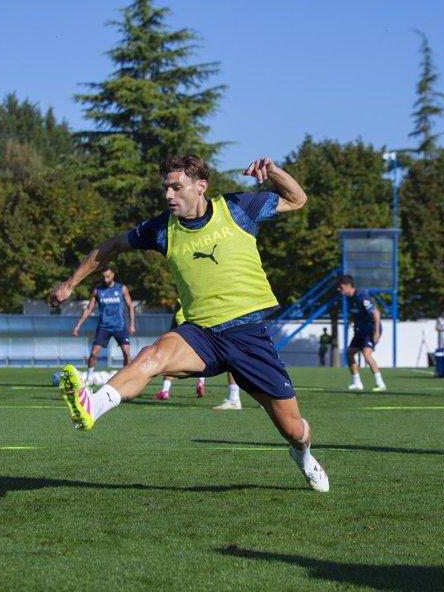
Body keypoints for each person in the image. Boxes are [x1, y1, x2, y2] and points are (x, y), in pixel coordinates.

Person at [51, 153, 328, 492]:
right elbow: (111, 246)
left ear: (201, 186)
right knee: (151, 356)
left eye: (177, 187)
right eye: (165, 188)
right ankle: (92, 405)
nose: (169, 195)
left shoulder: (238, 207)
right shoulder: (160, 229)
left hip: (248, 335)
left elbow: (297, 200)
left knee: (293, 429)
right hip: (201, 335)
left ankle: (302, 454)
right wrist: (70, 283)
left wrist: (273, 172)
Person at [71, 265, 135, 383]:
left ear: (113, 275)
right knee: (94, 353)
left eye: (108, 276)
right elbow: (89, 309)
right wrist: (78, 325)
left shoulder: (122, 289)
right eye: (104, 277)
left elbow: (130, 306)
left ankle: (125, 378)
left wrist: (132, 324)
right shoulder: (98, 291)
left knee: (126, 352)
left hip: (119, 326)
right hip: (104, 327)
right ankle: (90, 377)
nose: (105, 279)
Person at [337, 275, 386, 392]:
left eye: (340, 287)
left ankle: (380, 384)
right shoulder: (349, 299)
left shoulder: (362, 297)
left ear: (348, 286)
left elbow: (376, 313)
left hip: (371, 328)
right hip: (360, 329)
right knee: (349, 353)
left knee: (366, 354)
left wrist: (376, 331)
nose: (338, 289)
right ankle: (357, 383)